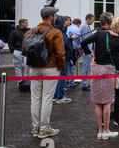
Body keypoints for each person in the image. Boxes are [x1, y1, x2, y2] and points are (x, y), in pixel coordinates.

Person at [80, 17, 119, 140]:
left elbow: (83, 42)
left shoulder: (99, 34)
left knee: (98, 103)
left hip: (96, 70)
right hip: (109, 71)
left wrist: (90, 54)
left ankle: (100, 131)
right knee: (107, 102)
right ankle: (106, 130)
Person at [24, 7, 65, 139]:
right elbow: (60, 53)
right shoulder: (55, 32)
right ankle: (44, 128)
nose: (57, 17)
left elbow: (24, 49)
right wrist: (61, 67)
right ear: (50, 17)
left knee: (35, 98)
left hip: (34, 67)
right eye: (55, 15)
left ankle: (35, 128)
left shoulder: (31, 31)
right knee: (47, 98)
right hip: (50, 68)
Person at [52, 16, 73, 104]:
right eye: (64, 21)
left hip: (60, 57)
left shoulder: (57, 30)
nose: (65, 23)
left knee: (58, 77)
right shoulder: (59, 31)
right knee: (61, 77)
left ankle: (55, 96)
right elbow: (63, 43)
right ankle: (59, 96)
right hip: (63, 57)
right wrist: (70, 39)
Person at [8, 18, 31, 83]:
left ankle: (27, 80)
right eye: (26, 23)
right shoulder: (14, 32)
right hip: (17, 51)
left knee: (27, 66)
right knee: (17, 66)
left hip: (27, 51)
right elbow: (10, 41)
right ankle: (19, 81)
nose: (27, 24)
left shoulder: (29, 31)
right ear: (22, 23)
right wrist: (13, 51)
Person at [79, 14, 95, 91]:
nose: (93, 21)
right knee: (86, 67)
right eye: (92, 20)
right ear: (88, 19)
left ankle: (86, 83)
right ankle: (84, 84)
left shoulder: (86, 26)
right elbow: (86, 40)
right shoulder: (85, 27)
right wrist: (89, 51)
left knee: (87, 67)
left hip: (87, 50)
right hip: (87, 50)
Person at [67, 18, 82, 86]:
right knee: (72, 66)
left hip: (67, 48)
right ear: (78, 23)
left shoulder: (68, 28)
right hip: (74, 49)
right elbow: (81, 40)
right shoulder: (77, 29)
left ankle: (68, 81)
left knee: (68, 66)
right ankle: (71, 82)